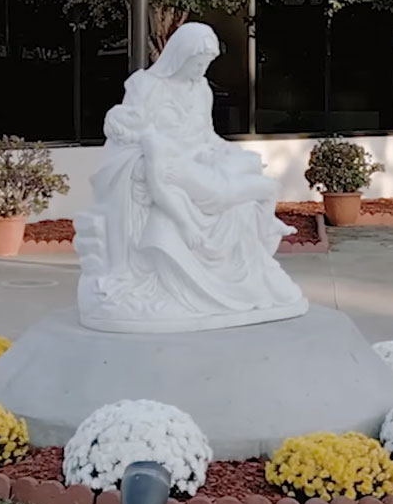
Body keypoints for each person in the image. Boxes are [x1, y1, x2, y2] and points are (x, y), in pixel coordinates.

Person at [75, 22, 309, 333]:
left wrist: (232, 152)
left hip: (200, 161)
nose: (201, 70)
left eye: (206, 64)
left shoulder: (201, 89)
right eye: (197, 63)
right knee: (242, 192)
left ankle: (255, 266)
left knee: (249, 168)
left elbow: (208, 136)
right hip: (174, 167)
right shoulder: (145, 86)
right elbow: (129, 132)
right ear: (179, 57)